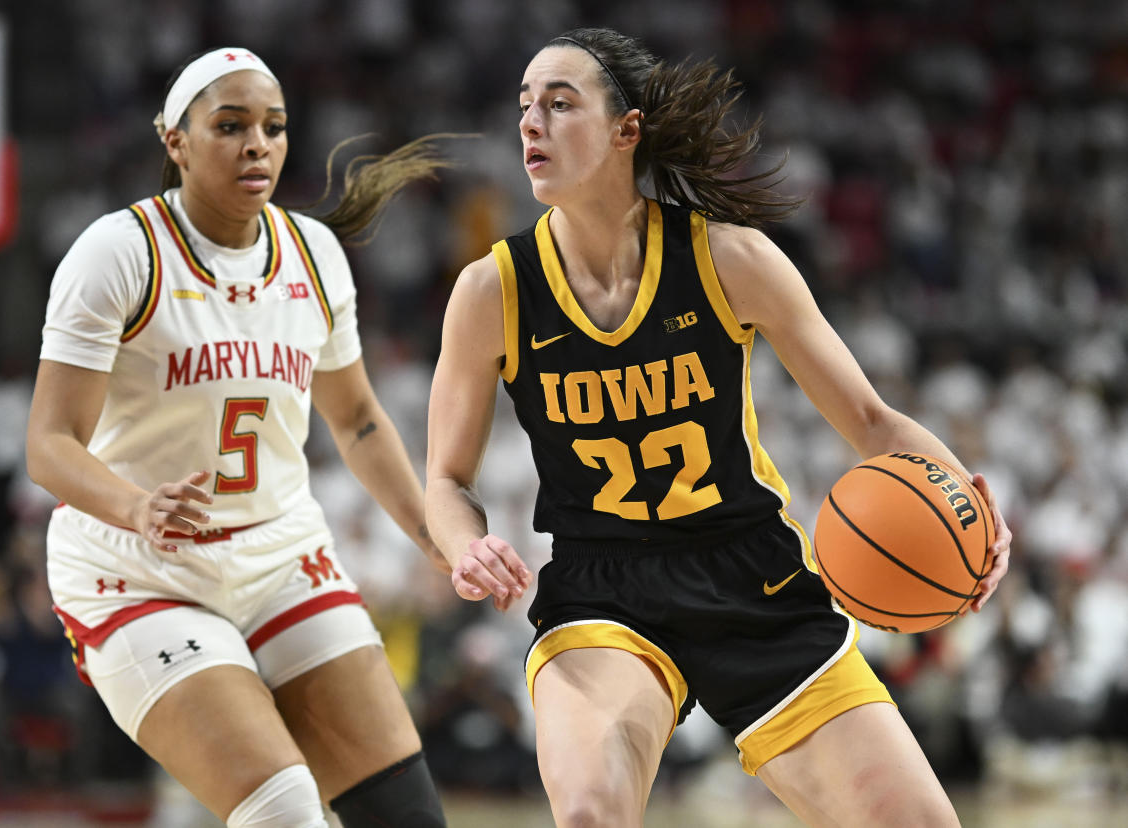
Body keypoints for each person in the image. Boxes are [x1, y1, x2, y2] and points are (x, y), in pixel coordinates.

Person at [425, 27, 1013, 827]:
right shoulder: (492, 289)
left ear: (626, 130)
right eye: (525, 106)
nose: (531, 122)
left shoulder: (728, 259)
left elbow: (873, 421)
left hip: (753, 578)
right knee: (591, 813)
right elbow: (446, 480)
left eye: (560, 104)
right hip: (605, 589)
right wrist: (466, 545)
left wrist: (970, 509)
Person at [26, 47, 450, 828]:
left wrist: (437, 536)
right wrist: (136, 506)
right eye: (230, 125)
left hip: (280, 554)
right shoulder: (119, 253)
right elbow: (48, 444)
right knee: (284, 808)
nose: (258, 143)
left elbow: (356, 419)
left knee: (408, 818)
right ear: (175, 141)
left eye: (274, 127)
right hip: (140, 571)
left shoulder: (315, 257)